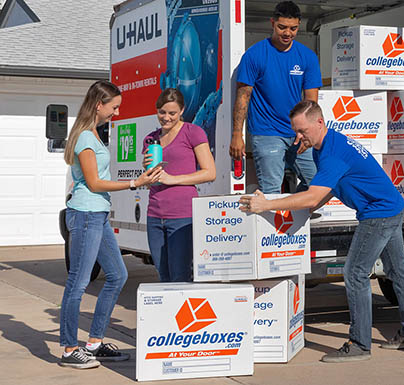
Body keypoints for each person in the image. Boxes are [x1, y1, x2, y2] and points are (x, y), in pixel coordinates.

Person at [239, 100, 404, 363]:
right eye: (295, 132)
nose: (298, 138)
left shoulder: (332, 153)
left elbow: (313, 198)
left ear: (319, 122)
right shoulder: (324, 146)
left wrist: (268, 204)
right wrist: (296, 209)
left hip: (378, 213)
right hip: (390, 207)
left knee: (355, 273)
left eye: (302, 131)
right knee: (397, 271)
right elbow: (326, 191)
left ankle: (360, 343)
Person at [60, 80, 163, 368]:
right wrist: (135, 183)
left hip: (98, 215)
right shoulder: (84, 138)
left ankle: (93, 343)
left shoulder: (94, 133)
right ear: (98, 105)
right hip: (85, 215)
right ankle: (69, 349)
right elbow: (93, 183)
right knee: (78, 283)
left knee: (117, 275)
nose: (116, 113)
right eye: (114, 107)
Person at [231, 1, 321, 196]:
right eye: (282, 27)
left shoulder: (307, 57)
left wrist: (308, 132)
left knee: (318, 184)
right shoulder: (254, 55)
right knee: (271, 191)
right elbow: (243, 97)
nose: (287, 33)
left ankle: (296, 215)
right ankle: (273, 225)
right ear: (272, 23)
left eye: (293, 28)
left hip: (298, 133)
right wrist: (237, 135)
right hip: (267, 133)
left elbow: (311, 103)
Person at [143, 88, 216, 282]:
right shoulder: (150, 139)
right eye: (162, 112)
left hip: (183, 216)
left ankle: (180, 312)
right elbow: (150, 177)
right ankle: (168, 313)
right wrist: (147, 171)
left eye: (172, 113)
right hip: (155, 215)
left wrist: (172, 178)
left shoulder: (193, 132)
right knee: (162, 274)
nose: (166, 117)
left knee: (180, 276)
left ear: (182, 110)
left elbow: (210, 172)